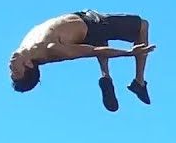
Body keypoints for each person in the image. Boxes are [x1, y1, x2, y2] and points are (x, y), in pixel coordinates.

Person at [9, 10, 156, 111]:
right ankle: (139, 81)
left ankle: (106, 76)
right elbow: (92, 51)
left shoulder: (23, 47)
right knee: (142, 26)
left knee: (100, 37)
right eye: (16, 70)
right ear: (28, 64)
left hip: (80, 19)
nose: (10, 66)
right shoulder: (52, 50)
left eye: (11, 71)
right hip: (91, 24)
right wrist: (128, 53)